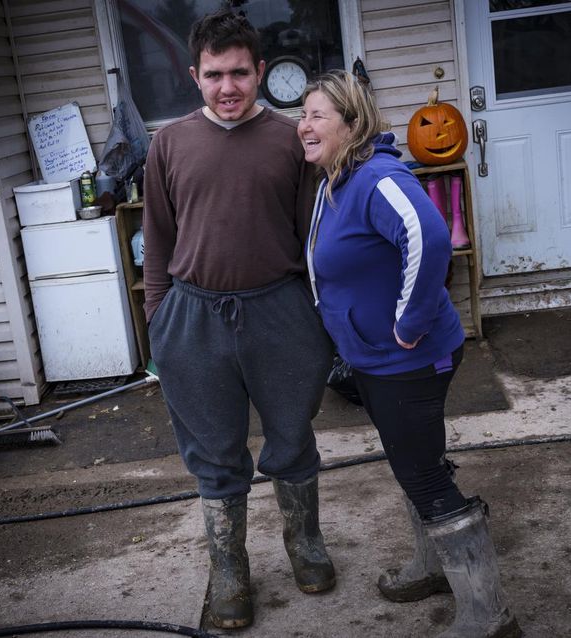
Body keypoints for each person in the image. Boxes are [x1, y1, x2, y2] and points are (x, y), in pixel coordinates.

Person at [298, 70, 522, 638]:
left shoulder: (374, 176)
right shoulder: (336, 181)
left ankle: (488, 614)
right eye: (302, 114)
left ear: (353, 123)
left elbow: (430, 235)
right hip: (375, 360)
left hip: (409, 360)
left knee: (423, 475)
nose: (304, 124)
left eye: (318, 114)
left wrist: (408, 322)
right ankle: (432, 567)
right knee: (413, 463)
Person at [143, 10, 335, 630]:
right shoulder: (169, 144)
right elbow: (158, 238)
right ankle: (229, 569)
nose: (229, 87)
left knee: (291, 436)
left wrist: (317, 317)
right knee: (215, 454)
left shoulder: (289, 140)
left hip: (280, 312)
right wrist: (159, 318)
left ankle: (304, 545)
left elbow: (313, 236)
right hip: (194, 317)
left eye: (241, 74)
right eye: (215, 74)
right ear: (194, 75)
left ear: (260, 73)